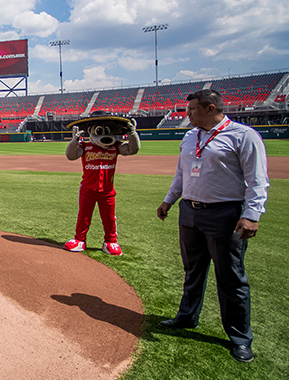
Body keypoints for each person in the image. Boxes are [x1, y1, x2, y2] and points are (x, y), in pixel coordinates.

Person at [156, 89, 269, 363]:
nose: (187, 115)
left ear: (210, 108)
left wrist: (252, 215)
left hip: (225, 215)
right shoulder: (190, 135)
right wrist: (169, 201)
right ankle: (187, 317)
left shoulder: (243, 136)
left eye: (192, 110)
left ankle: (240, 338)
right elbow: (182, 172)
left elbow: (257, 180)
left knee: (230, 277)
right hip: (190, 212)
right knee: (192, 270)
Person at [62, 112, 140, 255]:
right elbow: (70, 155)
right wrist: (74, 141)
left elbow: (132, 149)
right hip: (87, 188)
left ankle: (110, 241)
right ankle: (80, 239)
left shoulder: (115, 146)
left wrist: (132, 134)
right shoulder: (85, 147)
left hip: (107, 190)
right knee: (84, 216)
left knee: (109, 217)